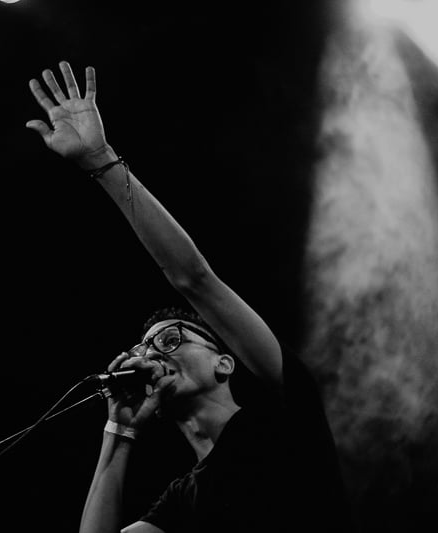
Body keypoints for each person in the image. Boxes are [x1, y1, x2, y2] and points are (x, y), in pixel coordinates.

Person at [26, 61, 351, 533]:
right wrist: (120, 429)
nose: (150, 356)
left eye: (169, 339)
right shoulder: (182, 500)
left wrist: (101, 162)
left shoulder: (282, 418)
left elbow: (193, 278)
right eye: (143, 350)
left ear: (224, 364)